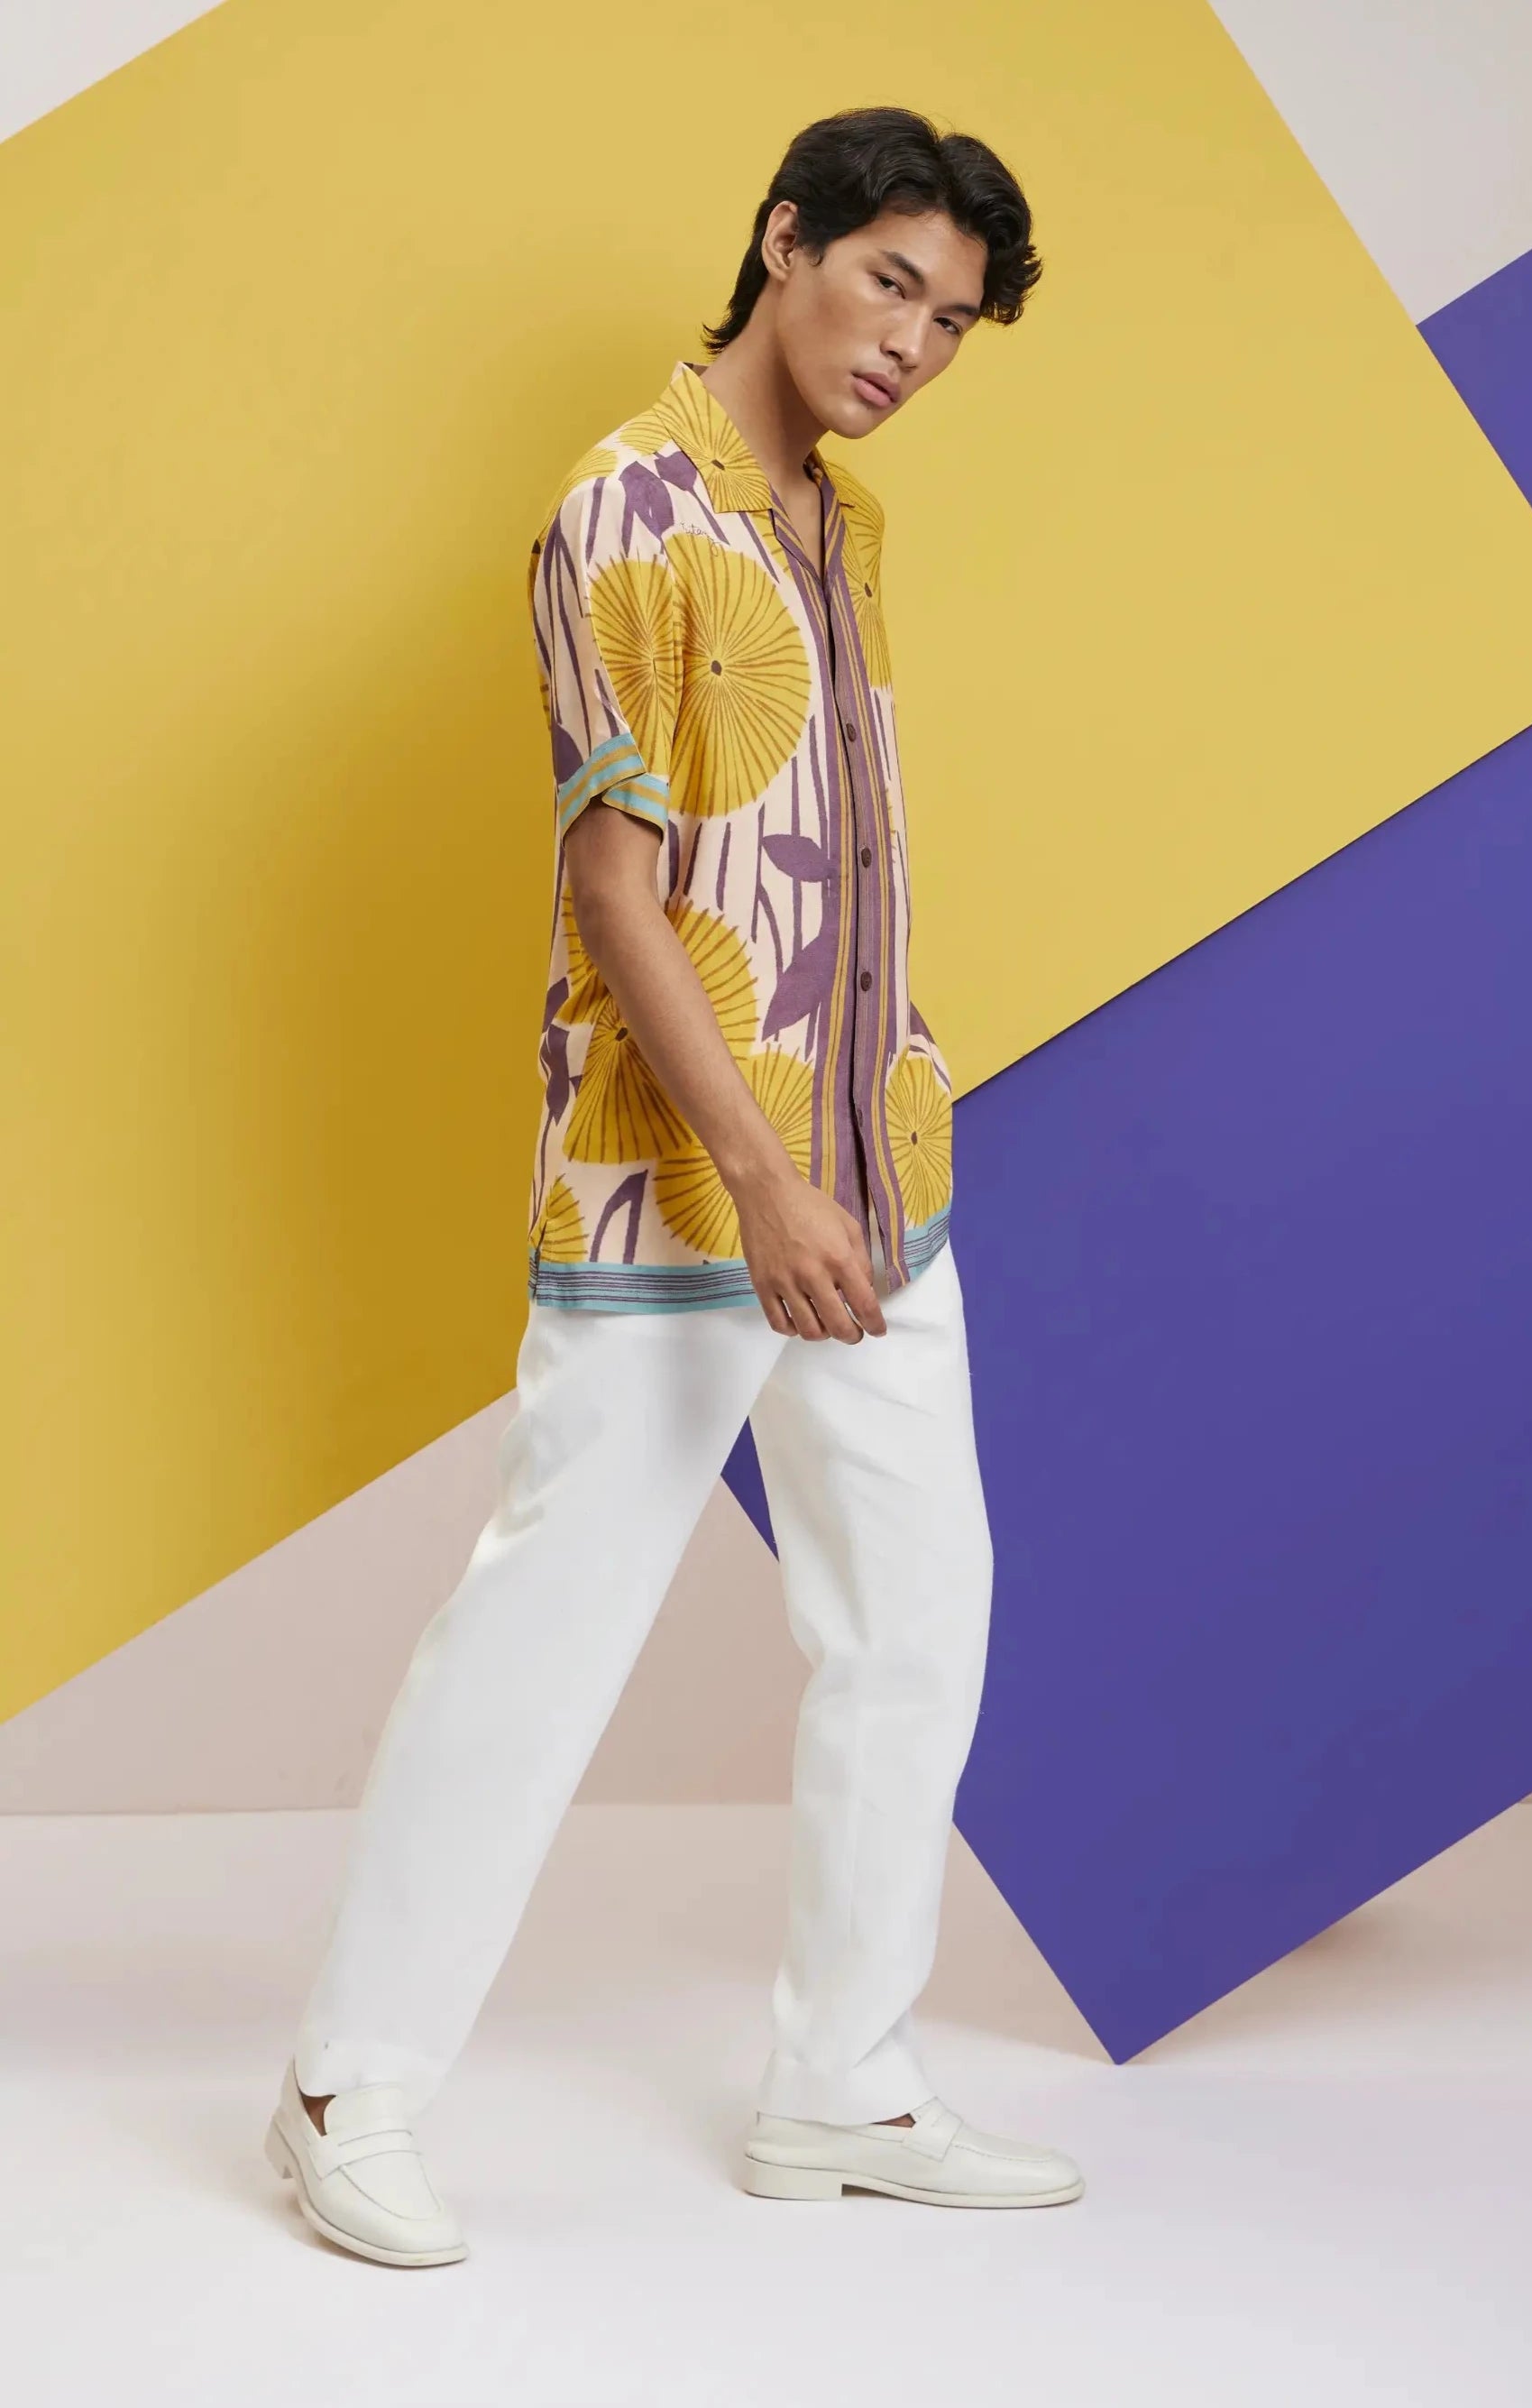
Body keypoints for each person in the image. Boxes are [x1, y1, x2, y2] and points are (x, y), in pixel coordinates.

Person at [265, 104, 1082, 2266]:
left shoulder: (844, 519)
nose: (910, 343)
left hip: (873, 1169)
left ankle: (842, 2083)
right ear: (783, 241)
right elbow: (615, 892)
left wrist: (854, 1153)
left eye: (951, 321)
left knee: (915, 1621)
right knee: (543, 1630)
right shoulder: (624, 507)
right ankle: (348, 2088)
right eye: (889, 283)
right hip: (684, 1191)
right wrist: (759, 1180)